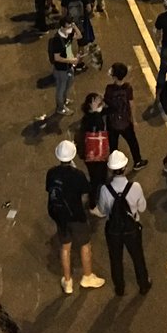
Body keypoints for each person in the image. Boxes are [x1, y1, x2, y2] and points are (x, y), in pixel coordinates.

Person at [46, 140, 105, 294]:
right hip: (76, 215)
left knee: (65, 247)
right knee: (85, 245)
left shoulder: (52, 173)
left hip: (60, 216)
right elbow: (86, 190)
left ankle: (67, 281)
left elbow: (49, 189)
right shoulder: (77, 175)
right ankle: (87, 276)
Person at [97, 150, 151, 296]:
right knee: (137, 257)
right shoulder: (135, 187)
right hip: (132, 228)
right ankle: (143, 284)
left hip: (113, 230)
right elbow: (143, 207)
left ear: (110, 170)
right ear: (125, 168)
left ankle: (119, 288)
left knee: (115, 259)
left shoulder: (105, 190)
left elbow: (102, 210)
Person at [103, 62, 147, 170]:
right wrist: (134, 120)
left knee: (113, 145)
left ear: (114, 75)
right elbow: (131, 104)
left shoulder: (109, 88)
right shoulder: (128, 88)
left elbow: (106, 103)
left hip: (112, 122)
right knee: (132, 142)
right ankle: (137, 161)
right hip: (125, 122)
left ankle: (114, 165)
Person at [48, 18, 83, 116]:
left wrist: (74, 26)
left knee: (69, 82)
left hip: (68, 66)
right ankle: (60, 107)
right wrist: (71, 60)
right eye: (68, 27)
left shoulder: (68, 34)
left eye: (71, 27)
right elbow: (57, 58)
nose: (70, 29)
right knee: (61, 88)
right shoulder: (57, 40)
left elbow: (79, 36)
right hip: (61, 69)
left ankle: (64, 99)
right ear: (62, 27)